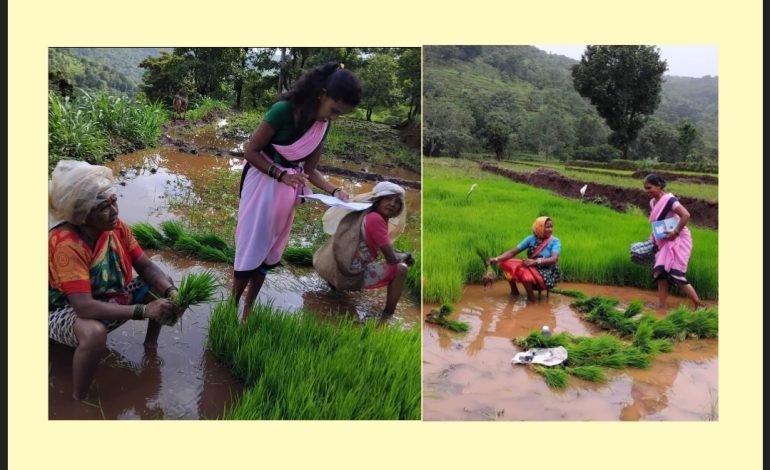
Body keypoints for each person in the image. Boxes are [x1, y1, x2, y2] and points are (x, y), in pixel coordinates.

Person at [233, 62, 362, 319]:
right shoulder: (283, 111)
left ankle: (247, 311)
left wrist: (335, 191)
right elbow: (251, 151)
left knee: (269, 252)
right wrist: (281, 175)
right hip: (261, 186)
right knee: (250, 248)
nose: (333, 118)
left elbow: (310, 170)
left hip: (286, 194)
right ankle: (230, 308)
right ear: (322, 94)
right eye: (334, 110)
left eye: (340, 115)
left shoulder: (322, 125)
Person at [48, 160, 181, 401]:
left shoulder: (117, 228)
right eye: (104, 207)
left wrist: (171, 291)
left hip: (104, 299)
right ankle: (79, 398)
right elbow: (83, 307)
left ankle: (150, 347)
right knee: (94, 334)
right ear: (82, 215)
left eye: (114, 201)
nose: (114, 211)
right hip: (61, 308)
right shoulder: (67, 244)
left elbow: (146, 266)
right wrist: (144, 311)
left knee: (161, 284)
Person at [313, 182, 415, 317]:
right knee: (401, 269)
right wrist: (406, 257)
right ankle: (388, 315)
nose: (392, 204)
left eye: (397, 202)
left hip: (331, 266)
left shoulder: (365, 214)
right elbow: (391, 259)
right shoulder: (376, 219)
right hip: (348, 273)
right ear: (378, 200)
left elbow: (384, 247)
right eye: (388, 199)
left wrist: (399, 254)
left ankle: (336, 292)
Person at [643, 174, 706, 309]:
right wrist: (652, 238)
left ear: (659, 186)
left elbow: (686, 215)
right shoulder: (652, 202)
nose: (647, 191)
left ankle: (699, 304)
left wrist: (675, 232)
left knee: (677, 274)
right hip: (663, 240)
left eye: (649, 187)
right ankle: (662, 307)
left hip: (678, 239)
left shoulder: (670, 200)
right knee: (661, 274)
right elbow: (657, 222)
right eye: (645, 188)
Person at [489, 216, 561, 301]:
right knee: (505, 262)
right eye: (547, 227)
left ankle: (531, 298)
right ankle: (514, 291)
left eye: (551, 227)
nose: (550, 229)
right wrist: (497, 259)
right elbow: (513, 252)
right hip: (531, 264)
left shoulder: (555, 241)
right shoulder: (531, 239)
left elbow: (554, 259)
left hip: (546, 270)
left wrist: (535, 262)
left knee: (522, 271)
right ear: (539, 228)